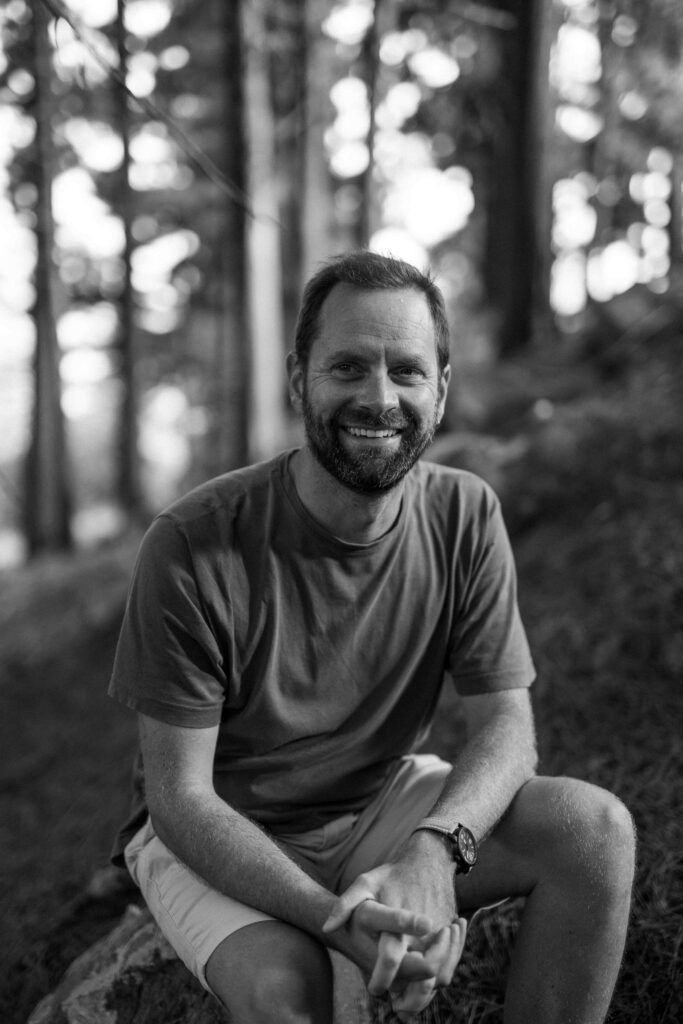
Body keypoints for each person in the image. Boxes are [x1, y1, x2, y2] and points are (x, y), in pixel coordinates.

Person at [109, 251, 635, 1024]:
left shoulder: (464, 513)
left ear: (441, 389)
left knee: (592, 831)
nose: (379, 398)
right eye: (347, 367)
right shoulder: (193, 542)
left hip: (377, 799)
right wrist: (337, 921)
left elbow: (506, 727)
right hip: (227, 824)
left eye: (406, 372)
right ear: (299, 380)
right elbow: (180, 798)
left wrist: (435, 850)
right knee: (291, 995)